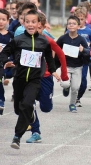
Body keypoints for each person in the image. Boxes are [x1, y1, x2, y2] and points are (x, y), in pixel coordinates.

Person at [0, 10, 60, 149]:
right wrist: (5, 61)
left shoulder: (43, 41)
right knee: (18, 109)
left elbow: (49, 58)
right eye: (28, 22)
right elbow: (5, 52)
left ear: (39, 24)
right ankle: (31, 116)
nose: (31, 24)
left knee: (27, 104)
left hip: (34, 80)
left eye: (34, 22)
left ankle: (17, 137)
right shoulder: (18, 40)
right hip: (19, 79)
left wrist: (53, 71)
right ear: (23, 23)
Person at [25, 12, 69, 143]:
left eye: (38, 27)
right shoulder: (23, 39)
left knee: (45, 108)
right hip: (30, 78)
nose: (34, 29)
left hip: (45, 77)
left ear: (43, 27)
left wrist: (64, 75)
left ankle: (45, 97)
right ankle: (35, 131)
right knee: (29, 104)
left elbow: (61, 55)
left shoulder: (48, 41)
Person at [57, 16, 90, 112]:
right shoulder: (63, 38)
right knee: (65, 84)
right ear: (67, 26)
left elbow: (88, 51)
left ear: (78, 27)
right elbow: (56, 48)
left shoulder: (81, 39)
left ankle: (72, 104)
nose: (71, 25)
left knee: (75, 88)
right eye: (69, 23)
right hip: (65, 66)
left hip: (77, 67)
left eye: (74, 23)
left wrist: (83, 49)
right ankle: (66, 88)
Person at [72, 7, 91, 107]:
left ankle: (78, 98)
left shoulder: (89, 31)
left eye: (81, 19)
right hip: (72, 59)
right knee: (72, 80)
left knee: (83, 81)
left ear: (85, 19)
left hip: (84, 59)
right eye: (77, 19)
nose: (79, 21)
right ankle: (68, 88)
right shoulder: (71, 31)